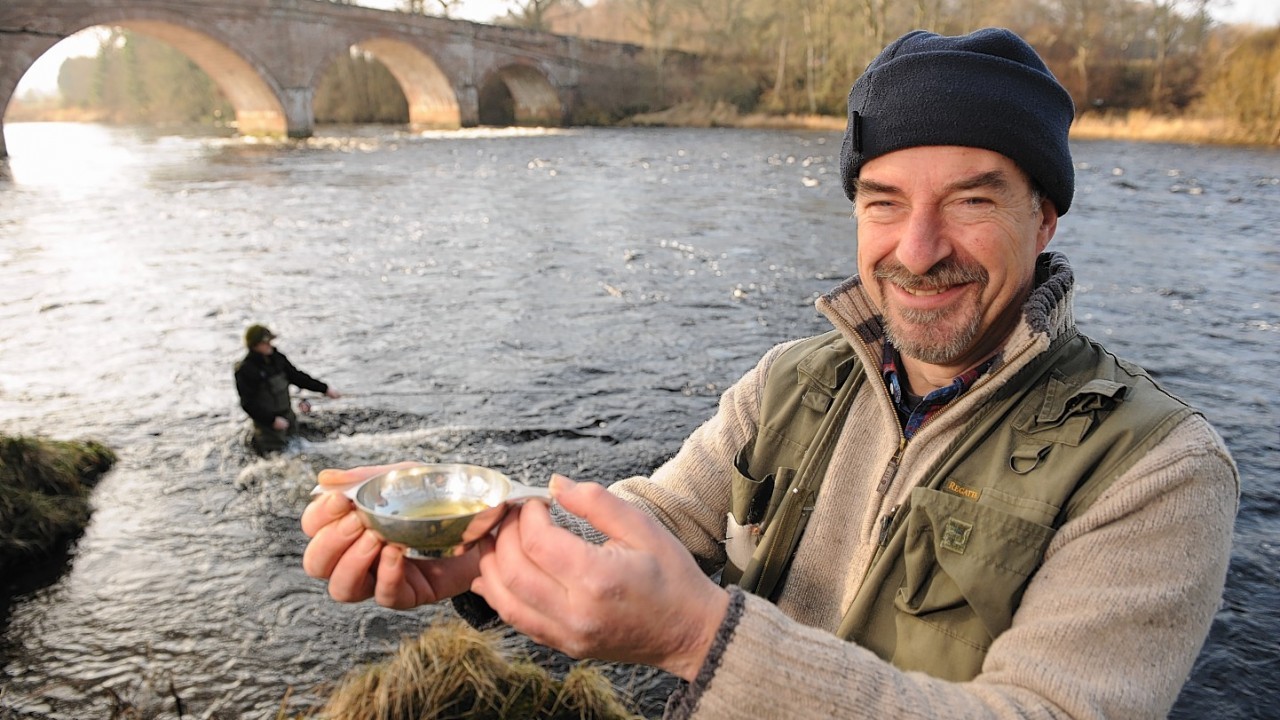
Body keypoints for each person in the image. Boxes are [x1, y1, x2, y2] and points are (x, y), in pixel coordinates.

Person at [301, 28, 1238, 719]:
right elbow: (654, 518)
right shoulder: (789, 381)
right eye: (883, 201)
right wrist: (478, 550)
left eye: (971, 200)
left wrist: (697, 638)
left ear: (1045, 221)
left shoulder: (1160, 469)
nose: (917, 248)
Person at [234, 324, 340, 455]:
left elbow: (297, 377)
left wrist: (325, 389)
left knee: (300, 452)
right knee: (277, 458)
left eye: (270, 341)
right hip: (268, 428)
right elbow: (248, 404)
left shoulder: (277, 358)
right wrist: (272, 421)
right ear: (255, 345)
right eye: (266, 342)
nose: (270, 345)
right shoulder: (245, 370)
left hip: (289, 420)